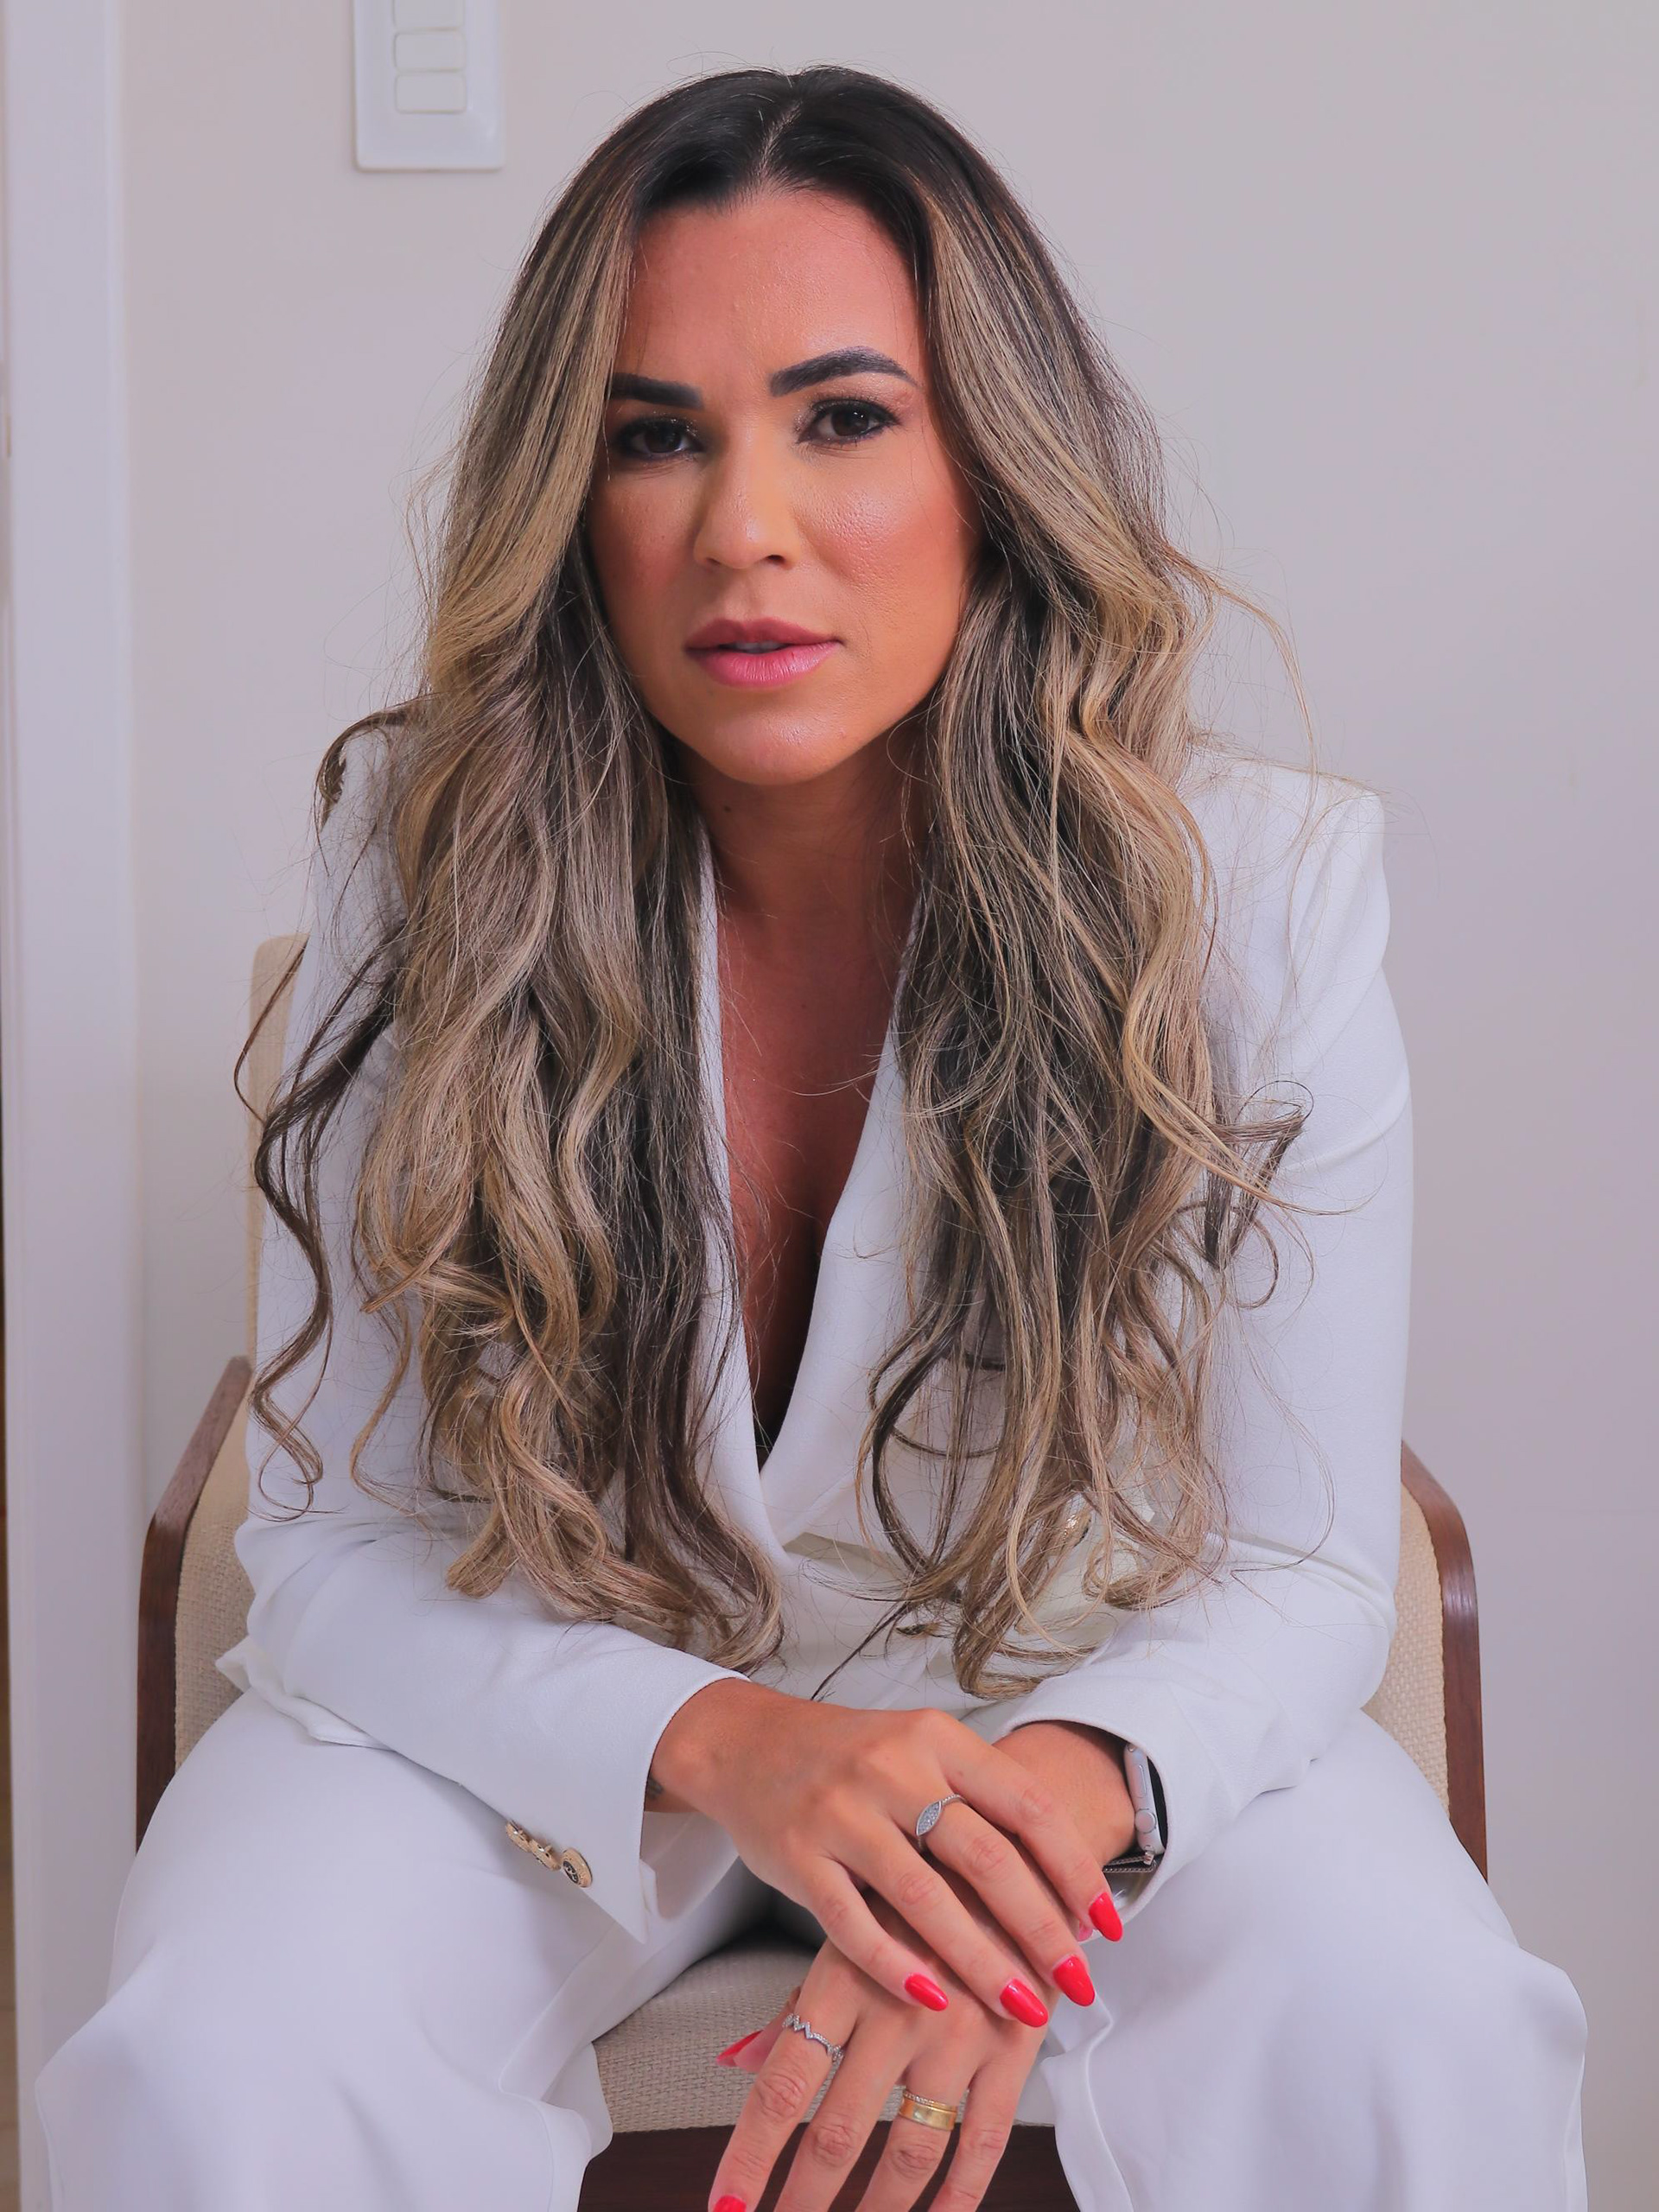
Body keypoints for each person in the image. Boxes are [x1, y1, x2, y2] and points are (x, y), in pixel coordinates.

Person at [35, 63, 1588, 2212]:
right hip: (556, 1718)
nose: (741, 526)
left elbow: (1308, 1560)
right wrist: (729, 1742)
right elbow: (329, 1543)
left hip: (1061, 1704)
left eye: (843, 417)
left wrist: (1039, 1826)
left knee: (1418, 2019)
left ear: (991, 467)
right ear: (569, 496)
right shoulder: (430, 858)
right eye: (654, 435)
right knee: (221, 2048)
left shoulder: (1254, 897)